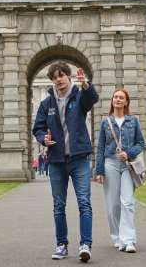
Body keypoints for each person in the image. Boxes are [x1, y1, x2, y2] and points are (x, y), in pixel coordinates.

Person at [33, 62, 99, 262]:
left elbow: (92, 100)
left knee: (84, 203)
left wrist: (86, 86)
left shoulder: (79, 95)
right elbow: (38, 128)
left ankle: (85, 244)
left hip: (79, 158)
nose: (58, 80)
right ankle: (61, 245)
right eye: (54, 77)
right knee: (58, 205)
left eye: (61, 76)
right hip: (56, 160)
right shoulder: (47, 103)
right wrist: (43, 137)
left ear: (68, 77)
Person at [94, 88, 145, 254]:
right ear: (112, 101)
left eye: (121, 97)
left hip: (128, 164)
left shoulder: (133, 121)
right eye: (115, 97)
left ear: (126, 102)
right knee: (113, 204)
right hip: (110, 163)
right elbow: (100, 147)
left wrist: (128, 153)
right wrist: (99, 170)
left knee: (128, 202)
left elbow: (140, 143)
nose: (117, 99)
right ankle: (117, 236)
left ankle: (128, 239)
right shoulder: (105, 122)